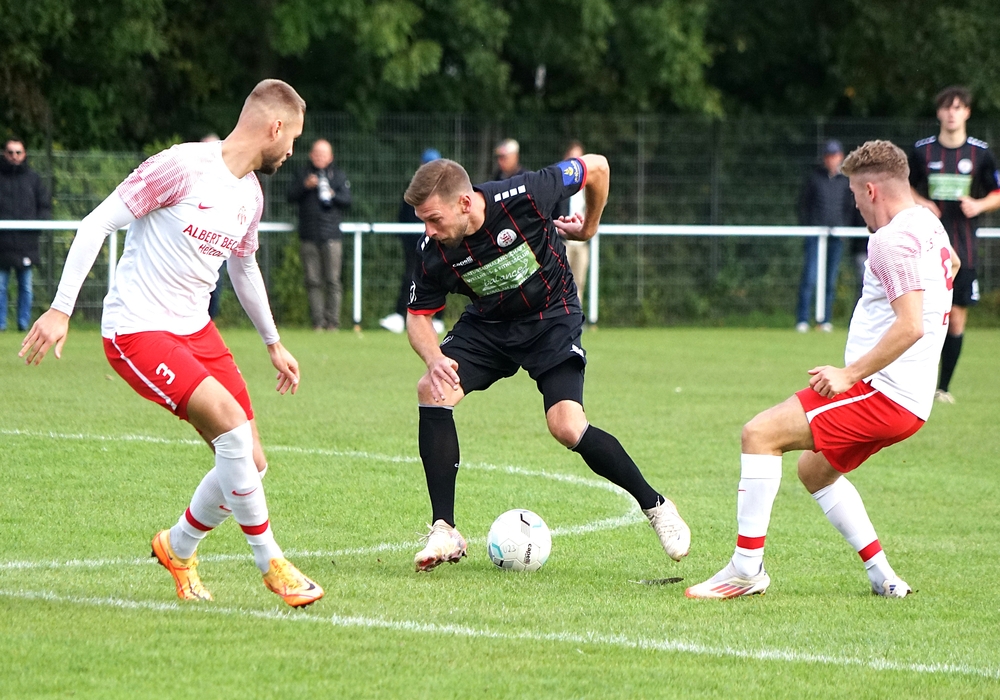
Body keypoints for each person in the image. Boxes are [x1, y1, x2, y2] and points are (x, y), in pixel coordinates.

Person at [19, 79, 324, 608]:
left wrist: (273, 343)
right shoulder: (181, 166)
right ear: (275, 128)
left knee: (251, 462)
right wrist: (61, 308)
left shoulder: (251, 194)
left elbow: (244, 266)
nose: (292, 150)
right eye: (293, 138)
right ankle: (271, 563)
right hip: (137, 329)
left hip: (195, 330)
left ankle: (177, 547)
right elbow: (97, 223)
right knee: (231, 426)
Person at [686, 140, 958, 600]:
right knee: (814, 472)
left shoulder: (889, 241)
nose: (854, 205)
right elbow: (951, 265)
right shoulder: (929, 223)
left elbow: (911, 325)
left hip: (881, 392)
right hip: (910, 400)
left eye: (853, 195)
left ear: (871, 190)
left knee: (759, 434)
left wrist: (849, 374)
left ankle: (746, 570)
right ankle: (883, 576)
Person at [402, 154, 691, 572]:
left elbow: (599, 167)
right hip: (490, 325)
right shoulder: (434, 251)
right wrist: (433, 359)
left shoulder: (526, 194)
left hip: (550, 318)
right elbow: (417, 318)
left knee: (567, 426)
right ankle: (444, 529)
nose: (428, 230)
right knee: (432, 390)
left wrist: (589, 227)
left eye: (434, 219)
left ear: (464, 203)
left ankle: (657, 507)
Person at [908, 86, 1000, 403]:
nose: (952, 113)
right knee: (917, 317)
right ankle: (913, 383)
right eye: (947, 107)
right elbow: (902, 186)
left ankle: (942, 388)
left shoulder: (981, 153)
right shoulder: (921, 151)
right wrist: (921, 201)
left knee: (956, 320)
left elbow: (997, 192)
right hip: (925, 249)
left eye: (958, 107)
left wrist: (979, 204)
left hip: (965, 249)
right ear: (938, 112)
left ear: (967, 113)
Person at [794, 140, 860, 333]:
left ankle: (825, 320)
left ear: (841, 157)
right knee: (809, 277)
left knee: (830, 279)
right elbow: (803, 205)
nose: (832, 160)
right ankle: (802, 319)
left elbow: (850, 208)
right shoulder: (815, 178)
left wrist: (844, 229)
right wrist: (809, 227)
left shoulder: (845, 181)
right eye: (829, 156)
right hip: (815, 236)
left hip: (836, 237)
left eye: (835, 156)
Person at [287, 138, 352, 331]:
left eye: (323, 154)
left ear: (330, 157)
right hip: (308, 235)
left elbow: (347, 200)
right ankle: (318, 322)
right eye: (316, 153)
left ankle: (333, 323)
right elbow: (289, 196)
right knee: (312, 280)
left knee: (333, 280)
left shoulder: (338, 176)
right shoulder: (302, 174)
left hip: (332, 236)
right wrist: (305, 186)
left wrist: (332, 194)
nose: (319, 157)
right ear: (311, 155)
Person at [379, 148, 445, 336]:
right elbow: (405, 214)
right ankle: (401, 315)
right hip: (414, 242)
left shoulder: (446, 190)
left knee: (439, 276)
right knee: (410, 276)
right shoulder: (413, 188)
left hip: (438, 240)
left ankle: (437, 318)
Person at [0, 137, 51, 332]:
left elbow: (44, 206)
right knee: (1, 287)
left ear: (24, 154)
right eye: (10, 152)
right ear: (5, 154)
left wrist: (37, 226)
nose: (14, 156)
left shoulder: (33, 179)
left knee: (26, 287)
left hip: (26, 244)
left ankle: (23, 324)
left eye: (18, 152)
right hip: (2, 244)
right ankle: (1, 324)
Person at [554, 140, 589, 306]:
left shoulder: (588, 186)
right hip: (563, 242)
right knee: (560, 283)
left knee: (579, 283)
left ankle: (576, 315)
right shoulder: (559, 184)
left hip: (582, 243)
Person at [200, 133, 226, 319]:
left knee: (214, 288)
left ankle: (208, 322)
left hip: (215, 244)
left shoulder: (229, 180)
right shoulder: (190, 176)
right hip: (190, 244)